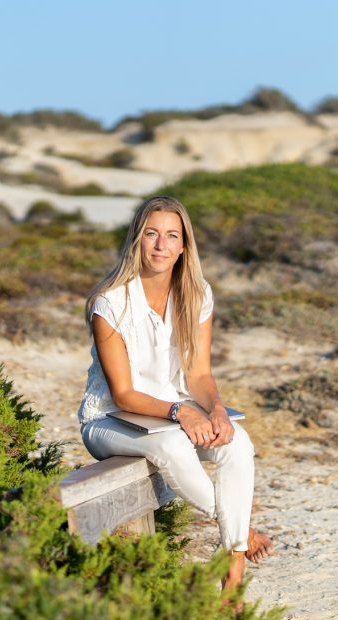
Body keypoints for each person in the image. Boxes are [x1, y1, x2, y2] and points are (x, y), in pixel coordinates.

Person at [78, 195, 272, 594]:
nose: (161, 245)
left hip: (171, 414)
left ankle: (231, 578)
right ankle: (240, 536)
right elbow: (124, 394)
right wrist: (182, 412)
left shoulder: (197, 294)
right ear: (136, 240)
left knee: (238, 443)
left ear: (184, 246)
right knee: (173, 448)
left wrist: (215, 409)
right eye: (151, 234)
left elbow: (199, 372)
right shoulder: (110, 303)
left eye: (171, 236)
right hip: (110, 420)